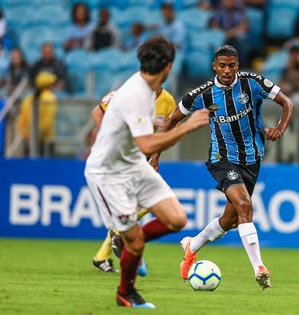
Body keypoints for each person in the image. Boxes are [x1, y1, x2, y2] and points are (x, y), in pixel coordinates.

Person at [151, 45, 295, 290]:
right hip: (222, 159)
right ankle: (259, 268)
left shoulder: (253, 83)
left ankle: (192, 246)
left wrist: (280, 128)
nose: (227, 70)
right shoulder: (203, 94)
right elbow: (173, 118)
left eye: (231, 65)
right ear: (214, 67)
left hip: (252, 159)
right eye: (222, 66)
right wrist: (155, 155)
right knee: (244, 205)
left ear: (237, 65)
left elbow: (288, 103)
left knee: (230, 220)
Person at [84, 36, 209, 308]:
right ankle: (125, 292)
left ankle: (123, 239)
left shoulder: (153, 91)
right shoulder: (133, 94)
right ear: (168, 67)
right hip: (108, 174)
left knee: (177, 219)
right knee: (137, 245)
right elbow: (146, 143)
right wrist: (186, 127)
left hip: (133, 166)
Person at [91, 87, 177, 274]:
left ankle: (105, 251)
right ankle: (110, 247)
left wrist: (155, 157)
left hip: (140, 160)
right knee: (141, 204)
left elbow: (163, 133)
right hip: (119, 159)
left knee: (149, 203)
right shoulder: (126, 93)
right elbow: (97, 112)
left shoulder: (168, 101)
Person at [16, 71, 58, 156]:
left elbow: (21, 120)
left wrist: (26, 136)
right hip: (45, 140)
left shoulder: (28, 98)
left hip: (29, 139)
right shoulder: (50, 98)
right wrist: (40, 135)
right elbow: (47, 121)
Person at [209, 0, 250, 67]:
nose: (228, 2)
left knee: (242, 36)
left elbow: (244, 26)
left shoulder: (239, 10)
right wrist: (223, 34)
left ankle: (242, 63)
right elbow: (214, 26)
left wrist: (231, 33)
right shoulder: (218, 11)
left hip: (235, 33)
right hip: (222, 34)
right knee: (215, 37)